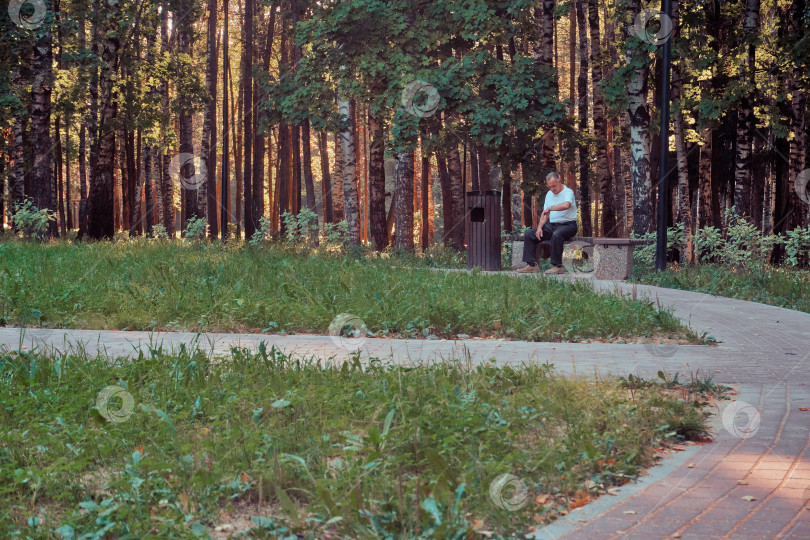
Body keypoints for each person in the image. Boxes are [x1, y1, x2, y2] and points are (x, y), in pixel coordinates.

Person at [517, 171, 578, 274]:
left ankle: (557, 267)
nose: (552, 189)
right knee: (530, 234)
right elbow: (545, 214)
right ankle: (532, 265)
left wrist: (550, 208)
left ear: (560, 181)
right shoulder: (549, 194)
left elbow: (566, 205)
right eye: (550, 187)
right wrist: (540, 227)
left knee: (557, 235)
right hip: (552, 226)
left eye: (554, 186)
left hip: (568, 225)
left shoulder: (568, 192)